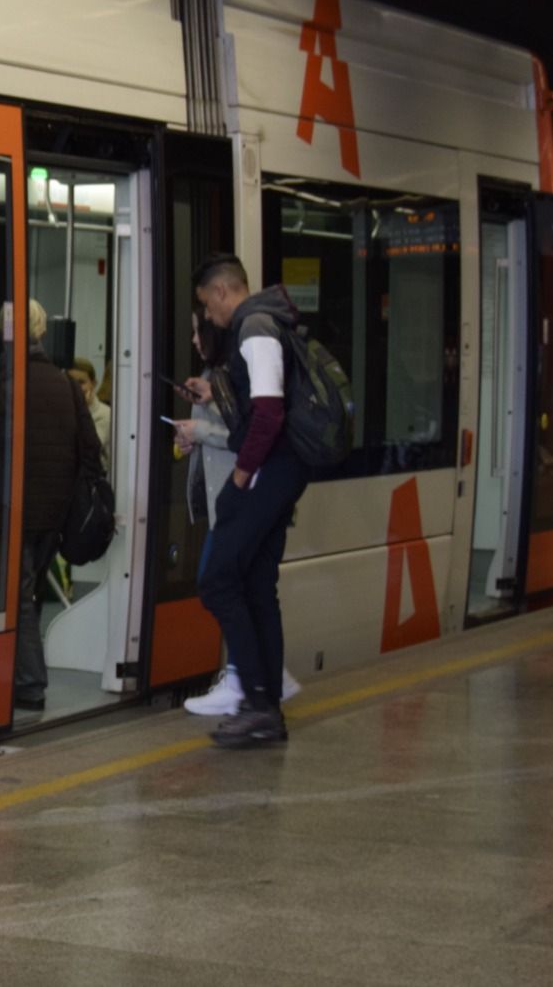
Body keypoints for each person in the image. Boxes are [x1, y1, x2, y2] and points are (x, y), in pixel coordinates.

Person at [185, 254, 309, 748]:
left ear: (220, 293)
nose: (209, 319)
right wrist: (214, 390)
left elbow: (268, 413)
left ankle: (256, 698)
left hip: (269, 469)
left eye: (206, 306)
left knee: (217, 580)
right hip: (281, 468)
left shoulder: (253, 325)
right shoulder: (266, 322)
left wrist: (240, 475)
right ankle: (264, 709)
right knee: (256, 582)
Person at [16, 299, 102, 711]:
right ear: (41, 332)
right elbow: (91, 449)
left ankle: (30, 683)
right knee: (28, 594)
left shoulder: (5, 378)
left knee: (16, 592)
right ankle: (23, 676)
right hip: (54, 513)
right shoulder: (64, 384)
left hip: (15, 508)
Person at [67, 356, 111, 472]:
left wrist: (82, 409)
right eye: (71, 381)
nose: (75, 387)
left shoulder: (105, 414)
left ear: (93, 383)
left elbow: (88, 449)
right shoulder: (64, 410)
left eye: (81, 382)